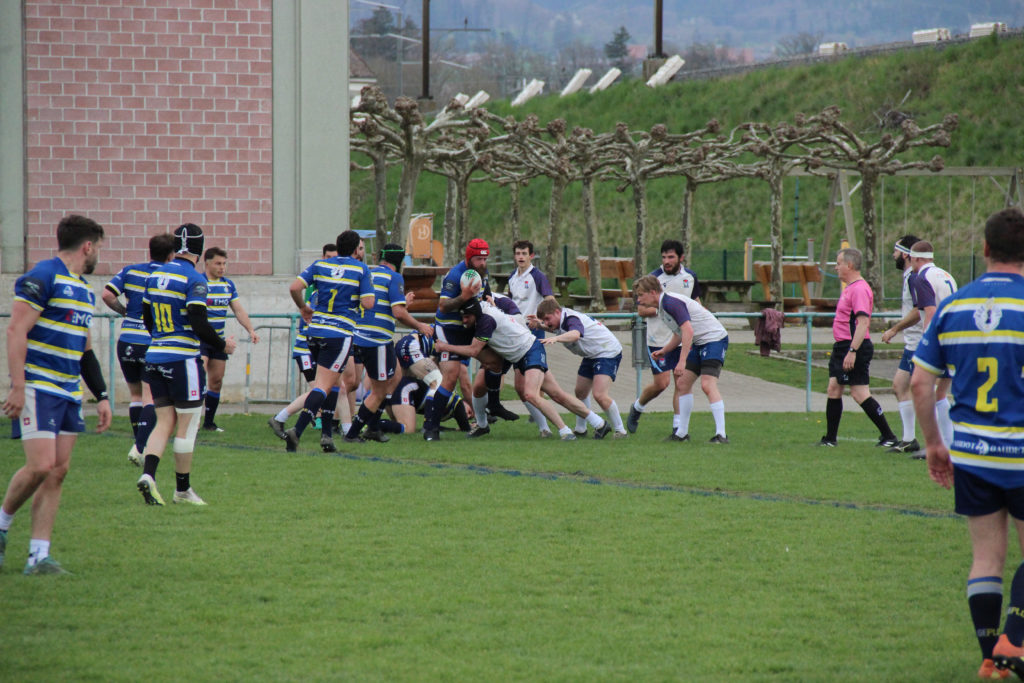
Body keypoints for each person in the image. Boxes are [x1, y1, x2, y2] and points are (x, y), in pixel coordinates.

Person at [910, 207, 1024, 679]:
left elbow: (920, 383)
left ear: (985, 248)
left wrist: (934, 444)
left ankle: (989, 657)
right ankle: (1014, 639)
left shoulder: (955, 307)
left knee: (986, 558)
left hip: (973, 452)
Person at [1, 215, 111, 575]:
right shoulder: (42, 276)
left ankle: (38, 556)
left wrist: (102, 395)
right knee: (41, 465)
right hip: (39, 385)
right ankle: (2, 524)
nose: (98, 255)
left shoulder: (84, 290)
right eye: (99, 248)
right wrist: (18, 386)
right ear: (88, 246)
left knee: (58, 471)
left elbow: (85, 350)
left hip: (68, 390)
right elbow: (16, 330)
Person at [136, 223, 237, 506]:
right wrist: (222, 345)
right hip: (182, 359)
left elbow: (147, 317)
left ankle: (148, 475)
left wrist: (162, 338)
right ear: (199, 249)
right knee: (188, 425)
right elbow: (198, 321)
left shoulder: (155, 275)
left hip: (155, 355)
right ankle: (182, 490)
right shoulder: (195, 279)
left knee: (164, 421)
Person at [435, 299, 613, 440]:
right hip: (520, 355)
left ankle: (565, 431)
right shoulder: (480, 310)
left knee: (530, 394)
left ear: (475, 313)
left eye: (467, 317)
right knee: (557, 394)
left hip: (530, 351)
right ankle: (599, 423)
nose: (464, 321)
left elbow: (474, 351)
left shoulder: (486, 321)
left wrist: (445, 346)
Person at [283, 230, 374, 452]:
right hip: (339, 334)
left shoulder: (320, 265)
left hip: (315, 332)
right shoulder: (360, 269)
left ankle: (327, 436)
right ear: (356, 249)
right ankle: (297, 430)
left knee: (334, 384)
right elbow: (368, 303)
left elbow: (294, 287)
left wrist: (303, 307)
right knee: (323, 385)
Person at [345, 243, 434, 443]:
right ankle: (353, 433)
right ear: (400, 262)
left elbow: (383, 306)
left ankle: (372, 427)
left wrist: (403, 303)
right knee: (380, 390)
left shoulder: (368, 274)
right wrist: (419, 325)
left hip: (358, 335)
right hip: (376, 339)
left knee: (391, 378)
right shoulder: (394, 277)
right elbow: (398, 313)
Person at [102, 232, 176, 465]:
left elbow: (107, 294)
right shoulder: (168, 276)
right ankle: (140, 447)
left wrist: (124, 312)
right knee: (149, 396)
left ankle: (138, 441)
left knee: (135, 395)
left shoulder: (130, 271)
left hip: (126, 340)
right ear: (171, 254)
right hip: (149, 340)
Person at [632, 275, 730, 443]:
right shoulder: (662, 307)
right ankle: (681, 434)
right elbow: (680, 333)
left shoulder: (670, 303)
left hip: (714, 339)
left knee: (707, 385)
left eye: (641, 295)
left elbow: (688, 331)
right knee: (683, 384)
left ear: (653, 292)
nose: (638, 300)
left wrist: (682, 361)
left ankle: (721, 435)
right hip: (699, 342)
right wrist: (664, 350)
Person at [818, 247, 897, 448]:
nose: (836, 268)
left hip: (853, 347)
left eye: (838, 264)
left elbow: (863, 324)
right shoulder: (850, 287)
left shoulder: (860, 289)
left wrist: (852, 351)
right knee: (834, 388)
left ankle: (889, 436)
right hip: (842, 346)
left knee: (859, 393)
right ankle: (830, 439)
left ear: (850, 265)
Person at [627, 239, 701, 437]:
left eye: (671, 257)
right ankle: (637, 407)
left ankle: (678, 428)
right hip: (658, 339)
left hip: (681, 338)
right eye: (664, 257)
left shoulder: (690, 277)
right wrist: (665, 309)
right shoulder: (653, 279)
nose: (666, 261)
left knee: (681, 382)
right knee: (661, 384)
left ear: (681, 258)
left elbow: (696, 303)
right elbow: (641, 310)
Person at [423, 238, 493, 441]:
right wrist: (464, 296)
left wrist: (489, 298)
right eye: (478, 259)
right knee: (451, 376)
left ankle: (492, 408)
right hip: (449, 329)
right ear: (469, 258)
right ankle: (431, 428)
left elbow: (484, 293)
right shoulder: (455, 275)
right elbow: (443, 306)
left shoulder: (482, 272)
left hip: (469, 329)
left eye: (485, 259)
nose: (482, 263)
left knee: (494, 361)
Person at [267, 244, 337, 440]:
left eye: (335, 257)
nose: (331, 261)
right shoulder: (316, 285)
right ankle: (281, 418)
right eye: (328, 257)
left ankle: (333, 425)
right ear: (322, 257)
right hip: (306, 347)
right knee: (320, 388)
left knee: (328, 387)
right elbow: (305, 305)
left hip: (320, 344)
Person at [533, 299, 628, 438]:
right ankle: (581, 429)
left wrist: (556, 339)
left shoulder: (571, 319)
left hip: (607, 352)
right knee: (580, 392)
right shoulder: (561, 320)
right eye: (544, 321)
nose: (546, 323)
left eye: (547, 319)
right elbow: (556, 328)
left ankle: (621, 431)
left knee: (600, 395)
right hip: (592, 354)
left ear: (557, 312)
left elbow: (575, 334)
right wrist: (539, 325)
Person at [200, 247, 260, 432]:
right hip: (199, 339)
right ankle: (190, 422)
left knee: (216, 381)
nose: (222, 267)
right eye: (218, 263)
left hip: (219, 341)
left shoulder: (228, 285)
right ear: (207, 263)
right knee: (198, 380)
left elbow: (238, 310)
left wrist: (251, 330)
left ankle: (209, 424)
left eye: (224, 264)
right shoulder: (198, 283)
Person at [908, 240, 958, 453]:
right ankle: (949, 444)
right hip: (953, 338)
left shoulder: (921, 278)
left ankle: (937, 446)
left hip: (938, 341)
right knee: (940, 395)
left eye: (911, 259)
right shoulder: (946, 275)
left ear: (917, 259)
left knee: (927, 393)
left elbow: (930, 312)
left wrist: (926, 342)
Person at [879, 234, 923, 454]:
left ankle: (944, 441)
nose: (893, 255)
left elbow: (918, 310)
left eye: (896, 251)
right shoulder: (909, 277)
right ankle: (908, 440)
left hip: (920, 343)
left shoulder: (914, 278)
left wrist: (894, 329)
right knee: (899, 386)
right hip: (912, 343)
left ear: (905, 254)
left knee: (927, 393)